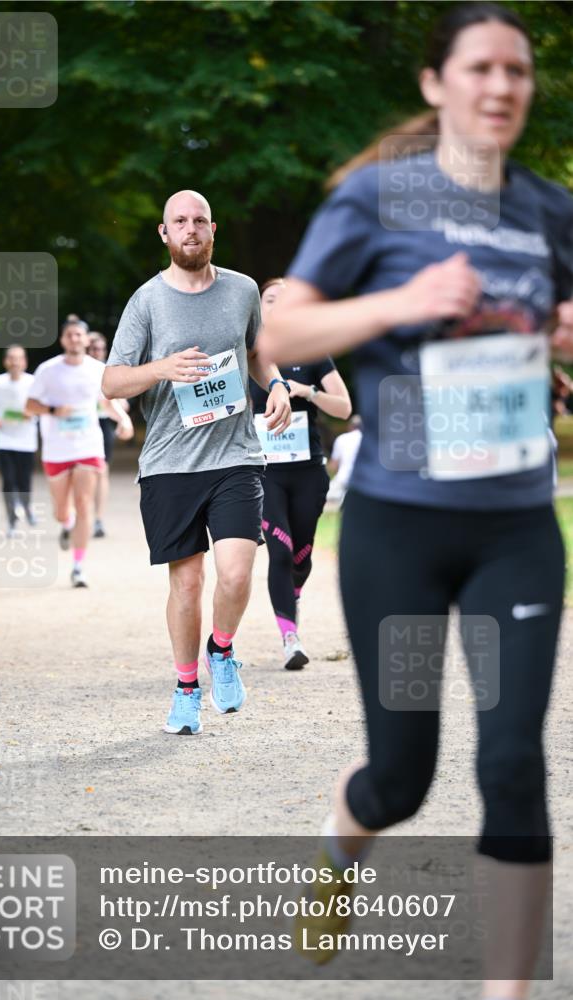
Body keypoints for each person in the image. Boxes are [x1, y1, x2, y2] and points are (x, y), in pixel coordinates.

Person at [261, 3, 573, 992]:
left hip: (517, 526)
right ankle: (338, 851)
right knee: (402, 777)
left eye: (517, 72)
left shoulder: (549, 208)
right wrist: (405, 303)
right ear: (437, 84)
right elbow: (284, 337)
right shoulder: (373, 202)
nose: (500, 86)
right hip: (399, 524)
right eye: (480, 67)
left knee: (513, 764)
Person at [103, 189, 291, 736]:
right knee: (186, 585)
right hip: (168, 463)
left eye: (200, 221)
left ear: (214, 229)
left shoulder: (243, 290)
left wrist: (276, 384)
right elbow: (112, 380)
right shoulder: (147, 301)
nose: (190, 229)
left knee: (236, 572)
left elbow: (256, 350)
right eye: (179, 221)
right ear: (164, 233)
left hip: (235, 455)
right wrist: (162, 367)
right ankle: (186, 687)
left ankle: (222, 649)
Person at [251, 278, 351, 669]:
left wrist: (306, 392)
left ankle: (292, 598)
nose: (278, 305)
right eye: (270, 299)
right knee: (280, 549)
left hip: (308, 471)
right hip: (264, 473)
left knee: (301, 555)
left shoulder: (313, 352)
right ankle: (289, 637)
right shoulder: (248, 355)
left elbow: (343, 407)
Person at [25, 320, 133, 587]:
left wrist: (123, 420)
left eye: (79, 335)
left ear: (86, 340)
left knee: (84, 503)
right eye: (69, 335)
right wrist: (52, 411)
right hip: (56, 448)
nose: (74, 339)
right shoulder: (48, 370)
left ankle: (78, 566)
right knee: (62, 510)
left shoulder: (98, 369)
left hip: (88, 445)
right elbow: (29, 405)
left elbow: (106, 401)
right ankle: (66, 522)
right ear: (63, 340)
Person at [0, 344, 39, 535]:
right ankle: (12, 521)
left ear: (25, 362)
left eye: (19, 358)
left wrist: (32, 413)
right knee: (7, 481)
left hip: (26, 440)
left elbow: (44, 406)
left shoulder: (33, 382)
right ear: (5, 361)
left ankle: (27, 507)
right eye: (11, 358)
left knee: (24, 482)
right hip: (4, 439)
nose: (15, 362)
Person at [87, 332, 132, 538]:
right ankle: (78, 517)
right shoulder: (78, 370)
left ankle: (98, 519)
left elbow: (123, 402)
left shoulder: (109, 370)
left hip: (103, 422)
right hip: (82, 424)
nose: (97, 352)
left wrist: (121, 414)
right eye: (93, 348)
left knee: (101, 471)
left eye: (100, 348)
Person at [326, 415, 363, 510]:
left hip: (343, 479)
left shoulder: (342, 438)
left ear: (350, 426)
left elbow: (333, 466)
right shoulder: (367, 438)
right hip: (362, 480)